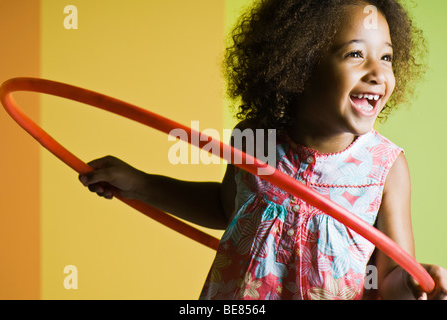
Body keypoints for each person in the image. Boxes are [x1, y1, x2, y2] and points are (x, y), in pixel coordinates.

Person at [78, 0, 447, 300]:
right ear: (300, 65)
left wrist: (416, 282)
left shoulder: (385, 167)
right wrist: (140, 184)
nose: (378, 73)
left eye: (386, 57)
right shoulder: (254, 140)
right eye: (355, 54)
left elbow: (389, 276)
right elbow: (228, 208)